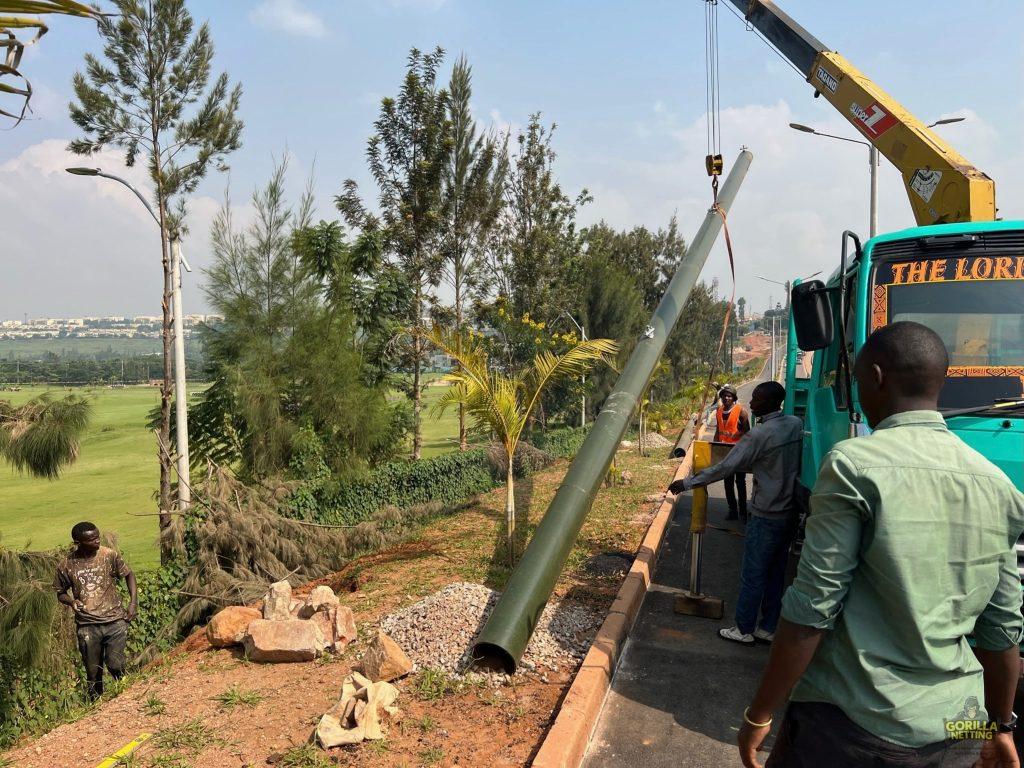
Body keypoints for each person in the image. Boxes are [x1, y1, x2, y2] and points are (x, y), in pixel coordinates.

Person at [737, 322, 1024, 768]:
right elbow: (1003, 630)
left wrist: (759, 714)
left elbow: (813, 607)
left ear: (874, 376)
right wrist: (1000, 728)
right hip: (958, 729)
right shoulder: (998, 485)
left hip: (852, 725)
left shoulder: (855, 465)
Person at [669, 380, 802, 645]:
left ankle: (743, 629)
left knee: (754, 574)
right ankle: (768, 627)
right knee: (776, 574)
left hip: (765, 514)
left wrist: (686, 483)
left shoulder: (759, 435)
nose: (751, 402)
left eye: (756, 399)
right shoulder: (795, 425)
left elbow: (724, 467)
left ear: (769, 402)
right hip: (788, 513)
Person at [55, 522, 137, 700]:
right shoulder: (67, 564)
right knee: (93, 673)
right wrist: (71, 601)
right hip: (87, 625)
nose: (97, 540)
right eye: (91, 539)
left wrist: (132, 604)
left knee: (116, 665)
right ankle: (95, 707)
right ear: (78, 542)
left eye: (97, 536)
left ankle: (126, 699)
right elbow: (60, 593)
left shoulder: (109, 555)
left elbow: (129, 574)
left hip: (114, 620)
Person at [714, 385, 751, 520]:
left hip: (739, 452)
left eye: (729, 396)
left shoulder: (741, 412)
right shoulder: (719, 411)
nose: (726, 398)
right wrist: (715, 448)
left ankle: (743, 511)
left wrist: (747, 452)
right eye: (724, 395)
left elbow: (747, 433)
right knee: (727, 482)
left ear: (734, 398)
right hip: (725, 452)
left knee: (740, 482)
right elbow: (718, 431)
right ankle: (732, 510)